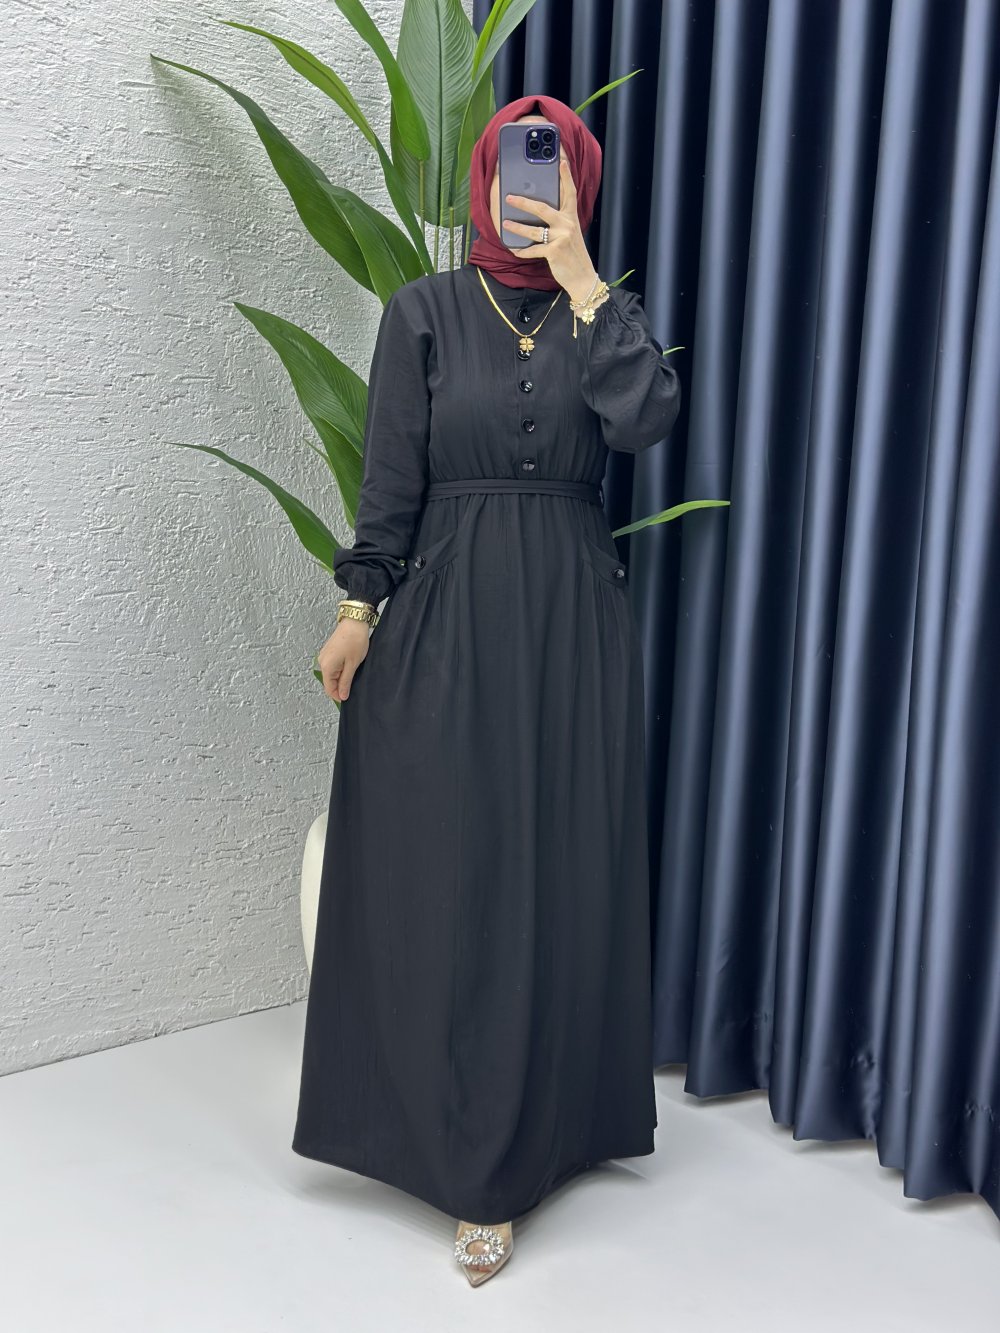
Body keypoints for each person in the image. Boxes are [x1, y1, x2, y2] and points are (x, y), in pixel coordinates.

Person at [291, 93, 682, 1286]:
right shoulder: (421, 310)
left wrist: (582, 279)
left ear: (578, 184)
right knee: (454, 872)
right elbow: (390, 480)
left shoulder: (601, 315)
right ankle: (455, 1145)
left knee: (552, 873)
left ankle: (542, 1137)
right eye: (519, 167)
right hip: (449, 616)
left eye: (552, 169)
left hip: (569, 623)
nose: (531, 188)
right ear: (484, 178)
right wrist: (358, 609)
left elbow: (645, 421)